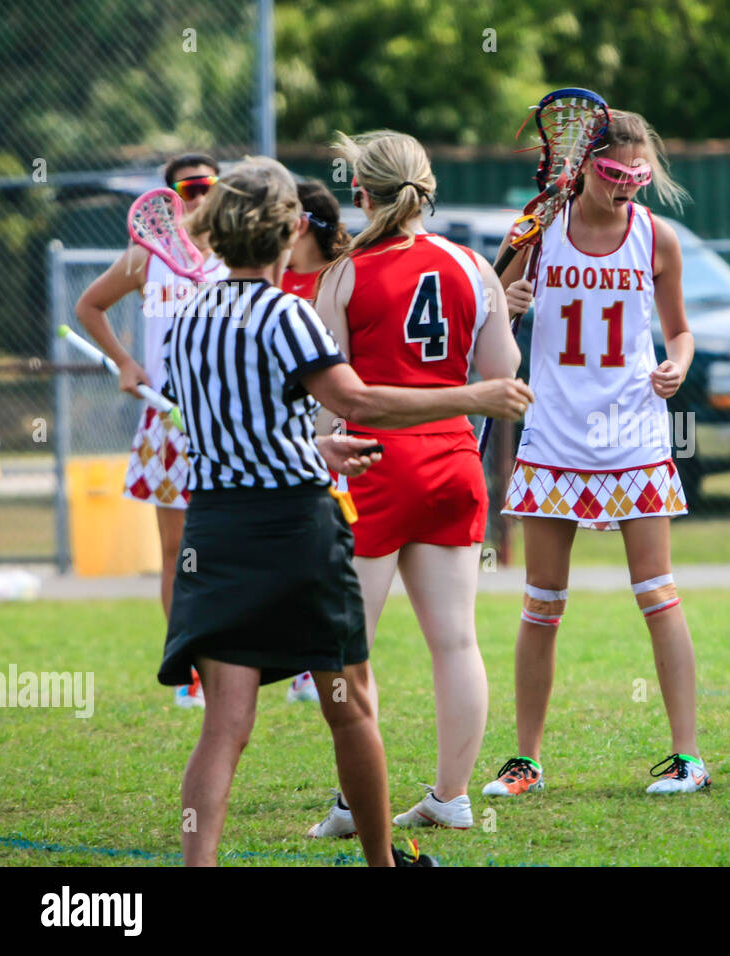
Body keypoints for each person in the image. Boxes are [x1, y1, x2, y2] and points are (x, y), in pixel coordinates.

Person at [155, 156, 532, 866]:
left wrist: (317, 447)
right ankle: (384, 864)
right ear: (292, 229)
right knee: (348, 704)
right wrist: (473, 397)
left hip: (215, 533)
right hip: (295, 530)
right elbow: (357, 399)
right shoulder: (290, 314)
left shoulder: (184, 319)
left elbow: (229, 424)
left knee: (224, 725)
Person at [481, 110, 711, 798]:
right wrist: (509, 303)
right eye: (614, 174)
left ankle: (688, 756)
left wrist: (677, 364)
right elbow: (486, 329)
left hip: (634, 436)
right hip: (554, 435)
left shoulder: (655, 238)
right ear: (582, 168)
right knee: (542, 601)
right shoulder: (539, 233)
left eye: (639, 176)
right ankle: (526, 759)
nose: (627, 187)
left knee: (658, 593)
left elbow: (681, 333)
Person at [304, 130, 521, 837]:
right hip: (454, 461)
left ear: (359, 194)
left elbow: (327, 394)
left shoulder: (345, 274)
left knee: (350, 647)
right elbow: (501, 370)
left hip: (372, 464)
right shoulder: (468, 265)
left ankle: (350, 803)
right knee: (456, 641)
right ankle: (451, 796)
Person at [76, 152, 229, 709]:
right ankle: (185, 664)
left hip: (227, 421)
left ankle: (236, 660)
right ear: (164, 202)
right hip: (168, 419)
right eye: (186, 190)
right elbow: (89, 306)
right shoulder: (147, 257)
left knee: (229, 548)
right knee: (176, 552)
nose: (197, 198)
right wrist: (124, 362)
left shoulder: (238, 255)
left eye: (208, 187)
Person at [280, 179, 352, 705]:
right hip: (282, 436)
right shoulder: (270, 279)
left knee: (324, 551)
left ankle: (319, 663)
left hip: (331, 434)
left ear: (301, 222)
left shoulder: (341, 276)